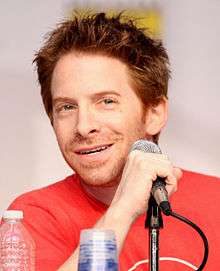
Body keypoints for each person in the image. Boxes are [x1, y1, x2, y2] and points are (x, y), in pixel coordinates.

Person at [7, 12, 220, 271]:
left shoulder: (215, 201)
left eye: (107, 101)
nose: (84, 126)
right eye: (66, 107)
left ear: (154, 113)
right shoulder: (32, 218)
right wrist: (123, 209)